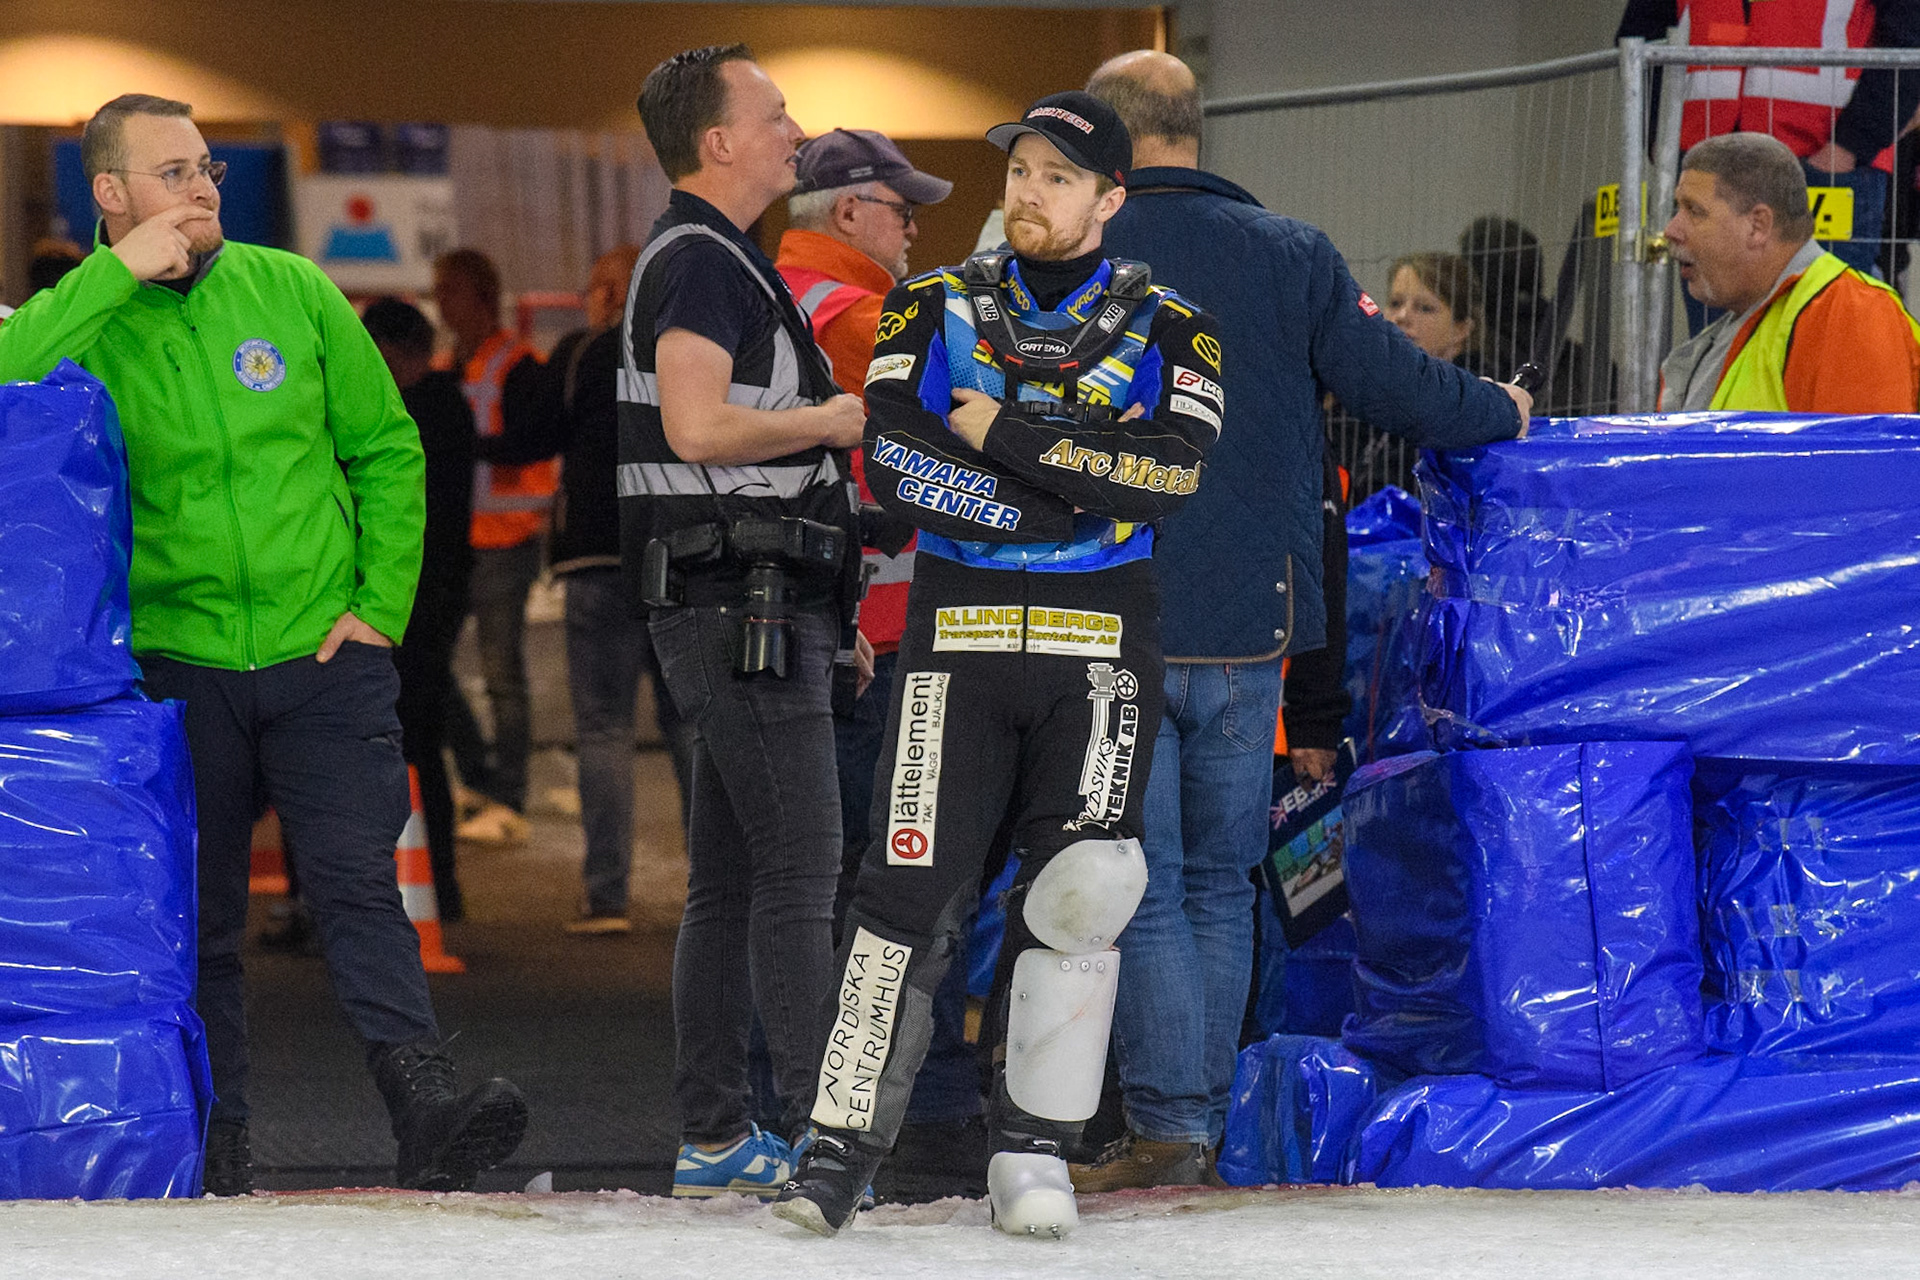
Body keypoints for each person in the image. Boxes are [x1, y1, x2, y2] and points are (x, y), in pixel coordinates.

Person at [0, 94, 528, 1195]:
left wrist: (378, 609)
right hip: (175, 665)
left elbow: (386, 449)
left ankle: (426, 1105)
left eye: (208, 168)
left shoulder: (290, 288)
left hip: (323, 655)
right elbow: (9, 373)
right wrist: (114, 274)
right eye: (174, 173)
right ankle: (218, 1139)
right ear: (109, 193)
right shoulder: (83, 319)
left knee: (358, 889)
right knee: (200, 919)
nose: (203, 189)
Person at [1069, 50, 1529, 1193]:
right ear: (1195, 129)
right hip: (1253, 624)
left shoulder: (1072, 251)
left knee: (1140, 879)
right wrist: (1505, 407)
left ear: (1106, 137)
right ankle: (1196, 1127)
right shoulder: (1291, 252)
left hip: (1112, 611)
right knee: (1223, 883)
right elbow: (1406, 387)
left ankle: (1168, 1127)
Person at [774, 89, 1224, 1240]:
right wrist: (1060, 499)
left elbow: (1171, 473)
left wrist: (1000, 434)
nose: (1030, 191)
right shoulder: (930, 303)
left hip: (1101, 648)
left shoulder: (1177, 326)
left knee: (1083, 894)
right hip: (957, 637)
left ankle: (1034, 1148)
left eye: (1058, 176)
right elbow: (894, 462)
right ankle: (838, 1148)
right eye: (1021, 170)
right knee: (902, 890)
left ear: (1110, 198)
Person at [619, 45, 867, 1198]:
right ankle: (828, 1141)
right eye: (775, 115)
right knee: (802, 874)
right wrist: (831, 420)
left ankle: (719, 1133)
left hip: (742, 600)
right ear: (718, 142)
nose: (795, 132)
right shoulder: (704, 263)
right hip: (740, 606)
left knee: (730, 881)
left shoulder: (710, 257)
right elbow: (700, 425)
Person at [772, 129, 986, 1185]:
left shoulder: (777, 295)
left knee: (796, 877)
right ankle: (916, 1107)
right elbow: (972, 411)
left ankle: (798, 1096)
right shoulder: (860, 314)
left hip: (816, 624)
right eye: (904, 211)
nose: (913, 231)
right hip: (882, 637)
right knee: (907, 876)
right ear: (851, 210)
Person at [470, 244, 696, 934]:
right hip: (678, 561)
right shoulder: (688, 353)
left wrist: (457, 438)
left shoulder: (582, 353)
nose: (593, 296)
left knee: (604, 729)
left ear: (616, 293)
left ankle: (606, 897)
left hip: (597, 559)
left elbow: (532, 440)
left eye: (601, 285)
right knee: (687, 725)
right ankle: (712, 891)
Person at [1619, 0, 1920, 280]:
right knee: (1718, 314)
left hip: (1825, 166)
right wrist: (1659, 141)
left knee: (1821, 308)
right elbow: (1637, 38)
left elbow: (1909, 38)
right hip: (1708, 166)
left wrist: (1847, 148)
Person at [1659, 131, 1920, 410]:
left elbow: (1862, 440)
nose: (1671, 230)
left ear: (1758, 225)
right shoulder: (1741, 328)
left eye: (1694, 211)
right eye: (1678, 209)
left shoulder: (1852, 314)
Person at [432, 247, 552, 847]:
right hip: (457, 539)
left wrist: (464, 446)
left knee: (502, 673)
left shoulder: (519, 364)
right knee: (432, 663)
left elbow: (533, 442)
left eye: (449, 291)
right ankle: (479, 777)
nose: (441, 303)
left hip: (507, 538)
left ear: (480, 294)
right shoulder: (446, 364)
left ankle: (508, 797)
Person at [362, 298, 477, 924]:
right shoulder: (448, 406)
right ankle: (437, 886)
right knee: (422, 745)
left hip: (407, 600)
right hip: (434, 596)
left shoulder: (409, 410)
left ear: (391, 350)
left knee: (407, 745)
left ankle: (419, 886)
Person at [1385, 252, 1486, 372]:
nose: (1402, 316)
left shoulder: (1478, 381)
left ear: (1461, 329)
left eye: (1425, 308)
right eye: (1395, 304)